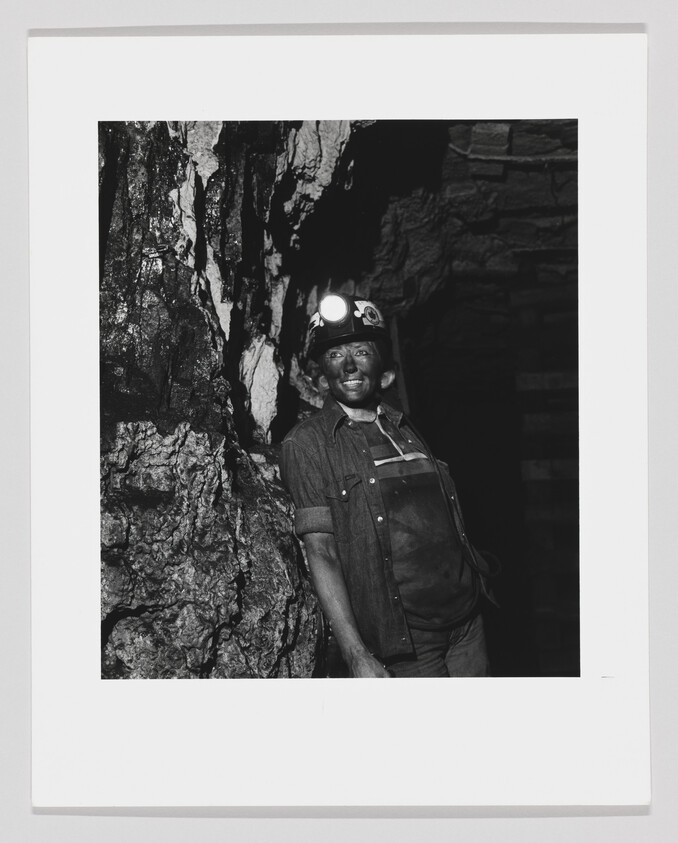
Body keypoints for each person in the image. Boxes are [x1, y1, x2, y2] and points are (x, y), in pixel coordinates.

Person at [280, 294, 498, 678]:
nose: (348, 365)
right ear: (320, 373)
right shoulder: (307, 443)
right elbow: (322, 551)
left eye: (361, 351)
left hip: (467, 623)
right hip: (407, 640)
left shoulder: (404, 425)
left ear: (381, 364)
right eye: (334, 355)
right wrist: (355, 654)